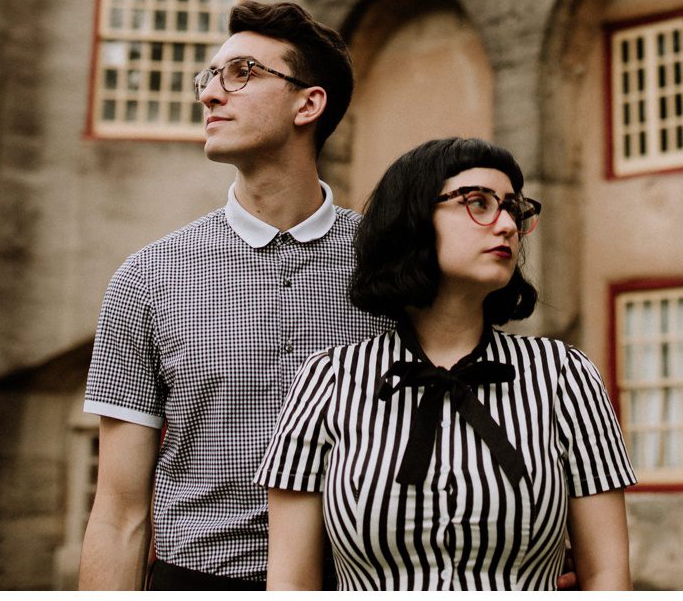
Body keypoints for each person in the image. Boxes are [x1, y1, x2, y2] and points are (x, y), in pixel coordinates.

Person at [79, 0, 389, 590]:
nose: (211, 95)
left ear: (309, 103)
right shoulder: (148, 277)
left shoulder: (390, 267)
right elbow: (119, 512)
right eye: (210, 77)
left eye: (241, 73)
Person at [258, 137, 635, 590]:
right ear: (412, 219)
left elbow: (608, 578)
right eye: (478, 202)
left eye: (514, 209)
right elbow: (291, 585)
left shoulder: (565, 378)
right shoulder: (328, 382)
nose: (507, 226)